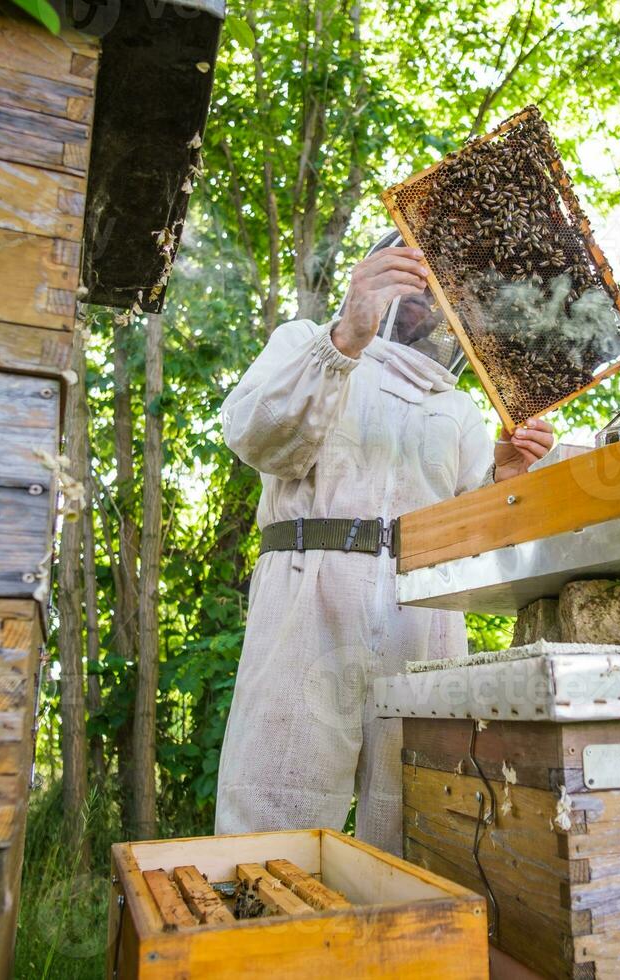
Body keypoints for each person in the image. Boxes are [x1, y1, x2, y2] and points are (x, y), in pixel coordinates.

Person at [215, 231, 555, 853]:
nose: (430, 303)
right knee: (273, 805)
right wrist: (345, 339)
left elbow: (474, 539)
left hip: (423, 621)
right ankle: (264, 940)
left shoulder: (458, 410)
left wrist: (504, 475)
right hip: (306, 600)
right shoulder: (305, 342)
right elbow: (255, 435)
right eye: (420, 283)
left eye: (447, 297)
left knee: (419, 814)